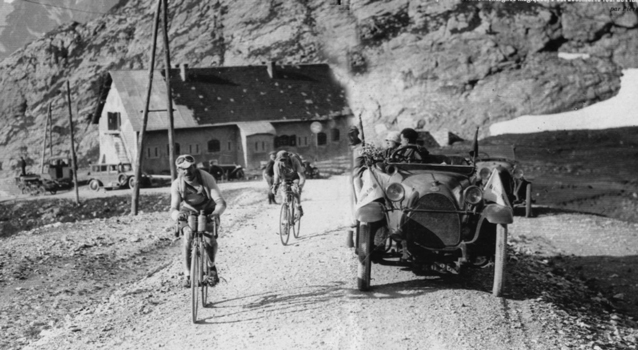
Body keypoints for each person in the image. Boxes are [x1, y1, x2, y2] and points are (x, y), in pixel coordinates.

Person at [170, 154, 227, 288]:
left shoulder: (206, 178)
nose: (187, 172)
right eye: (182, 169)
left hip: (208, 209)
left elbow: (221, 202)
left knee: (209, 240)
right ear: (178, 170)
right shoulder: (177, 184)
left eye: (190, 168)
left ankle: (211, 267)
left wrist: (215, 214)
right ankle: (188, 275)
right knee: (187, 238)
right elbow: (173, 207)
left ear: (195, 167)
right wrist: (178, 216)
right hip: (188, 211)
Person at [271, 150, 306, 217]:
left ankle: (298, 206)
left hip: (295, 177)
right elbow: (276, 177)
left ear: (288, 157)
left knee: (295, 189)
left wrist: (300, 186)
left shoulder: (294, 161)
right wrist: (275, 185)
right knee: (284, 196)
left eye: (284, 160)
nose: (283, 162)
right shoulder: (277, 164)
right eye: (281, 160)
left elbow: (302, 176)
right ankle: (285, 217)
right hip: (284, 178)